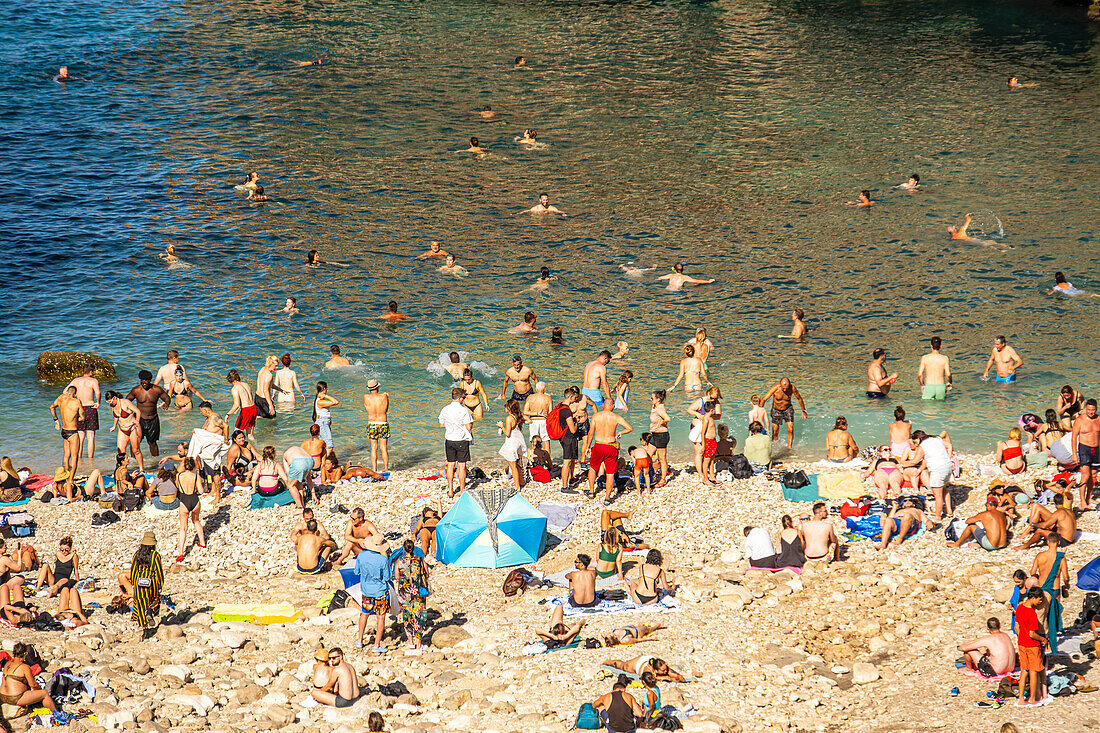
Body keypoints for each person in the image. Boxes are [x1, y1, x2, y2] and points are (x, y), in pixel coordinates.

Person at [118, 531, 164, 638]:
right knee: (155, 600)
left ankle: (144, 629)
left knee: (140, 603)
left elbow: (133, 569)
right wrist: (160, 585)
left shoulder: (137, 554)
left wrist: (133, 583)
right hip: (151, 582)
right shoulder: (155, 556)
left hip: (139, 582)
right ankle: (150, 611)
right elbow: (158, 571)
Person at [588, 400, 633, 502]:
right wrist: (621, 432)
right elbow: (630, 428)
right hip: (610, 446)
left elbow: (591, 433)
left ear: (603, 405)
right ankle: (607, 498)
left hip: (599, 445)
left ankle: (591, 492)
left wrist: (587, 446)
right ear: (613, 406)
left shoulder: (596, 416)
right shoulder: (616, 417)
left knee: (593, 468)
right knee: (610, 473)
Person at [353, 534, 390, 651]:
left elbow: (356, 572)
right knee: (380, 617)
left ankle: (359, 640)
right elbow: (387, 577)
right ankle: (376, 645)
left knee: (364, 614)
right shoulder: (383, 559)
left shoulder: (361, 555)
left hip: (366, 590)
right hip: (380, 591)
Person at [1031, 532, 1068, 652]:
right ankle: (1053, 638)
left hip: (1043, 588)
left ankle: (1045, 640)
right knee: (1054, 613)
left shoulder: (1040, 555)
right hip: (1055, 588)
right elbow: (1066, 576)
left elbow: (1032, 572)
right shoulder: (1061, 557)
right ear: (1058, 543)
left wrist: (1040, 576)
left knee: (1043, 616)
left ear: (1047, 542)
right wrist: (1066, 586)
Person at [393, 538, 430, 651]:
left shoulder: (399, 561)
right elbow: (427, 574)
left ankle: (410, 642)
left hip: (404, 593)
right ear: (413, 548)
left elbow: (397, 577)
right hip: (418, 592)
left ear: (404, 549)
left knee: (407, 616)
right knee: (419, 617)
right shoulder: (420, 560)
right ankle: (419, 644)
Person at [1015, 588, 1049, 706]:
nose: (1040, 602)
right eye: (1040, 600)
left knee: (1024, 671)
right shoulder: (1031, 613)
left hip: (1021, 644)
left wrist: (1021, 638)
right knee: (1033, 671)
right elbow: (1032, 634)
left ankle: (1021, 699)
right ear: (1033, 598)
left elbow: (1017, 627)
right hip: (1032, 645)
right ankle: (1032, 698)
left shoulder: (1019, 607)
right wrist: (1043, 639)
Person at [0, 642, 56, 712]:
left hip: (2, 696)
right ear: (24, 654)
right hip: (15, 698)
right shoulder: (24, 667)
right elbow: (33, 685)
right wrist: (39, 689)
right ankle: (57, 714)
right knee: (44, 693)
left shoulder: (7, 664)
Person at [127, 370, 170, 458]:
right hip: (140, 420)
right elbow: (127, 401)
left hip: (153, 420)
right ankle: (133, 461)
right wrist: (129, 413)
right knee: (135, 442)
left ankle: (155, 462)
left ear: (150, 380)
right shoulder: (136, 390)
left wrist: (166, 403)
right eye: (142, 382)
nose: (144, 384)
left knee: (152, 442)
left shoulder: (157, 390)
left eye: (146, 382)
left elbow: (167, 398)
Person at [439, 388, 473, 498]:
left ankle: (450, 490)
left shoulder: (445, 409)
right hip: (461, 440)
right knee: (462, 466)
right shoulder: (464, 410)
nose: (464, 400)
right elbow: (468, 427)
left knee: (450, 465)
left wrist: (450, 425)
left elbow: (441, 425)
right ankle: (462, 490)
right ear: (459, 398)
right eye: (463, 398)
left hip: (449, 439)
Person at [914, 430, 953, 520]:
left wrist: (902, 463)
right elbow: (949, 445)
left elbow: (915, 461)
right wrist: (949, 455)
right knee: (943, 489)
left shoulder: (922, 446)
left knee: (937, 495)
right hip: (947, 465)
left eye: (915, 442)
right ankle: (949, 511)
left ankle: (938, 517)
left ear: (918, 439)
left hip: (938, 469)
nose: (916, 444)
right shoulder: (936, 439)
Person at [50, 385, 83, 487]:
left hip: (64, 431)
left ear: (68, 391)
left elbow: (51, 407)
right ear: (75, 393)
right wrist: (76, 418)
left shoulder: (61, 398)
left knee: (66, 455)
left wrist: (56, 420)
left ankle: (64, 476)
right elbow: (82, 417)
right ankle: (70, 479)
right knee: (74, 457)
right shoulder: (77, 402)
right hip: (72, 431)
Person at [761, 377, 807, 449]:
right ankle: (775, 447)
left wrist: (804, 410)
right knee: (775, 431)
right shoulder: (775, 388)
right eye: (783, 388)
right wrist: (760, 411)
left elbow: (799, 398)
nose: (785, 390)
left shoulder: (792, 388)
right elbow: (764, 399)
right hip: (776, 410)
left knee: (790, 429)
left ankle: (789, 448)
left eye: (786, 388)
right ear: (780, 385)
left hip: (788, 409)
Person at [68, 364, 101, 463]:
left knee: (80, 436)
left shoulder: (75, 381)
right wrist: (98, 402)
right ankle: (91, 460)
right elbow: (98, 392)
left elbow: (65, 391)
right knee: (91, 436)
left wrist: (72, 400)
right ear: (91, 372)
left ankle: (79, 459)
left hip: (79, 408)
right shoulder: (93, 381)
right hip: (90, 408)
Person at [106, 390, 145, 471]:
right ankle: (123, 469)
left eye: (110, 401)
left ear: (114, 398)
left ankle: (141, 469)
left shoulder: (125, 402)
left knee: (136, 450)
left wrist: (137, 421)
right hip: (122, 429)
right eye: (108, 402)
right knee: (120, 450)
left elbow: (138, 411)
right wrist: (114, 426)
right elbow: (116, 416)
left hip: (132, 428)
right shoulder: (113, 405)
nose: (109, 403)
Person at [1072, 399, 1100, 509]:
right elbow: (1074, 437)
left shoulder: (1098, 419)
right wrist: (1074, 454)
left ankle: (1089, 497)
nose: (1091, 412)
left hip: (1096, 449)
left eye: (1093, 410)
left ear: (1096, 409)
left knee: (1093, 476)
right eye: (1089, 410)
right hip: (1084, 449)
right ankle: (1082, 501)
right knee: (1085, 476)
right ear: (1085, 409)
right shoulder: (1079, 420)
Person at [175, 457, 205, 560]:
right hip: (194, 499)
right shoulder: (196, 476)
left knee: (183, 527)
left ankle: (180, 553)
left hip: (184, 501)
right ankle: (202, 542)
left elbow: (178, 488)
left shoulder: (178, 476)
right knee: (196, 521)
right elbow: (201, 491)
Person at [360, 379, 391, 473]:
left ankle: (374, 469)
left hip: (372, 424)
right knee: (383, 447)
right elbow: (386, 409)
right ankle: (386, 469)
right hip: (383, 423)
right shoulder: (384, 396)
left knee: (373, 447)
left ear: (369, 389)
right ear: (378, 387)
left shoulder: (366, 397)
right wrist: (386, 396)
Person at [498, 399, 528, 491]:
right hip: (519, 442)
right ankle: (522, 481)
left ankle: (517, 487)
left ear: (509, 408)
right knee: (518, 463)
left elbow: (507, 433)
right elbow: (529, 420)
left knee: (513, 466)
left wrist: (501, 426)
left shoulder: (509, 418)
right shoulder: (519, 416)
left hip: (512, 443)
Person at [557, 387, 581, 491]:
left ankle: (570, 480)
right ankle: (564, 486)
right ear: (570, 397)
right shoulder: (567, 411)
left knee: (569, 461)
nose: (575, 400)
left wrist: (573, 420)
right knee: (566, 463)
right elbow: (573, 430)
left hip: (563, 437)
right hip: (569, 438)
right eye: (574, 397)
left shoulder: (560, 407)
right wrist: (577, 423)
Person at [225, 369, 257, 441]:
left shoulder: (235, 388)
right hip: (253, 408)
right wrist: (238, 409)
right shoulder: (246, 384)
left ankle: (236, 450)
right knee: (250, 435)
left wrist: (228, 414)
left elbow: (236, 404)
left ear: (230, 379)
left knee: (236, 434)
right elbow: (246, 399)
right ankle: (257, 447)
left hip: (246, 411)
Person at [602, 656, 686, 683]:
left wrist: (673, 676)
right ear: (656, 670)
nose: (665, 671)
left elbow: (680, 678)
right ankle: (608, 661)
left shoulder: (664, 668)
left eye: (665, 669)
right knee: (622, 665)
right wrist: (665, 677)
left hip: (650, 658)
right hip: (637, 664)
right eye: (663, 670)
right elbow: (649, 679)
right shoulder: (647, 670)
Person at [648, 391, 671, 486]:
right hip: (654, 435)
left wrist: (661, 424)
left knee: (662, 458)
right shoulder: (655, 407)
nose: (651, 399)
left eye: (652, 398)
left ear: (658, 399)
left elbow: (667, 418)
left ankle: (663, 479)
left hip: (661, 436)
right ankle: (651, 473)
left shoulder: (660, 408)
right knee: (648, 454)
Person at [523, 381, 552, 448]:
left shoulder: (530, 397)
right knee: (546, 442)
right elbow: (550, 413)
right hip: (544, 421)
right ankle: (547, 458)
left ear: (536, 389)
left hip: (533, 421)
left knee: (534, 442)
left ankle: (534, 457)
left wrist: (536, 413)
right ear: (544, 389)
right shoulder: (548, 398)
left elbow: (525, 412)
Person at [313, 382, 338, 451]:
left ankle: (323, 461)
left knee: (323, 445)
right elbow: (335, 402)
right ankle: (321, 461)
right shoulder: (320, 401)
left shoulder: (319, 400)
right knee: (329, 446)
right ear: (324, 389)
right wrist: (326, 396)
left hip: (323, 422)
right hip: (323, 422)